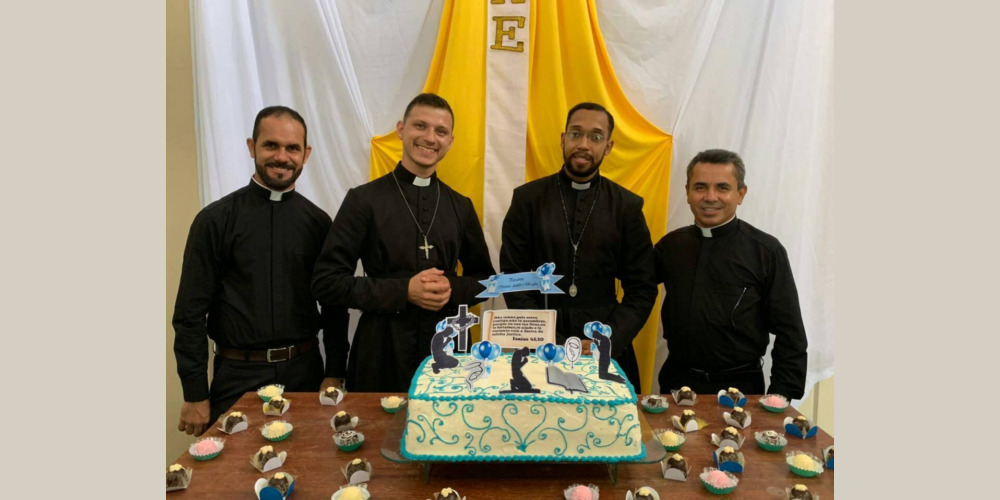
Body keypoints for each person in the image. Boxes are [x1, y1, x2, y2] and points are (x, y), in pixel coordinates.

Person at [173, 106, 348, 435]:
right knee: (233, 481)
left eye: (292, 148)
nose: (282, 157)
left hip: (306, 374)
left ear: (305, 154)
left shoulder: (320, 224)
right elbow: (189, 314)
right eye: (271, 146)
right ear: (252, 147)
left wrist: (334, 371)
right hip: (237, 378)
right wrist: (195, 392)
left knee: (308, 476)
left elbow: (334, 306)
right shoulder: (214, 221)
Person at [312, 93, 494, 392]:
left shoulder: (460, 206)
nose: (429, 138)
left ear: (450, 141)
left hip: (449, 347)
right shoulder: (363, 200)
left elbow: (485, 280)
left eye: (440, 131)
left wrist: (451, 287)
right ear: (401, 129)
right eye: (420, 126)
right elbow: (327, 282)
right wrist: (403, 290)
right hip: (382, 349)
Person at [500, 102, 657, 392]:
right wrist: (551, 340)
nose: (583, 144)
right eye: (576, 134)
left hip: (607, 342)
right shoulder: (527, 200)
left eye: (595, 137)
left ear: (608, 147)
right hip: (541, 344)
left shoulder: (627, 207)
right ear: (563, 139)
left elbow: (643, 288)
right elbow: (513, 280)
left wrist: (607, 339)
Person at [655, 149, 808, 400]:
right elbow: (635, 288)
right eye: (700, 187)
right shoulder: (670, 246)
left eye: (722, 188)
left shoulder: (767, 252)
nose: (710, 197)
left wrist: (781, 396)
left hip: (741, 388)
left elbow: (791, 333)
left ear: (741, 194)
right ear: (687, 192)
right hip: (676, 383)